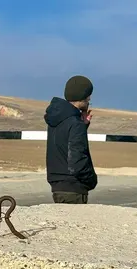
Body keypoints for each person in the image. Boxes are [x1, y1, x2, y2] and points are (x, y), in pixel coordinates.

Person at [44, 75, 98, 204]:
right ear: (84, 96)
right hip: (74, 188)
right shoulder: (74, 123)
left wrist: (83, 126)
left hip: (57, 185)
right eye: (88, 95)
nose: (89, 99)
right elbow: (77, 161)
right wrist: (91, 181)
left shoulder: (56, 119)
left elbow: (63, 145)